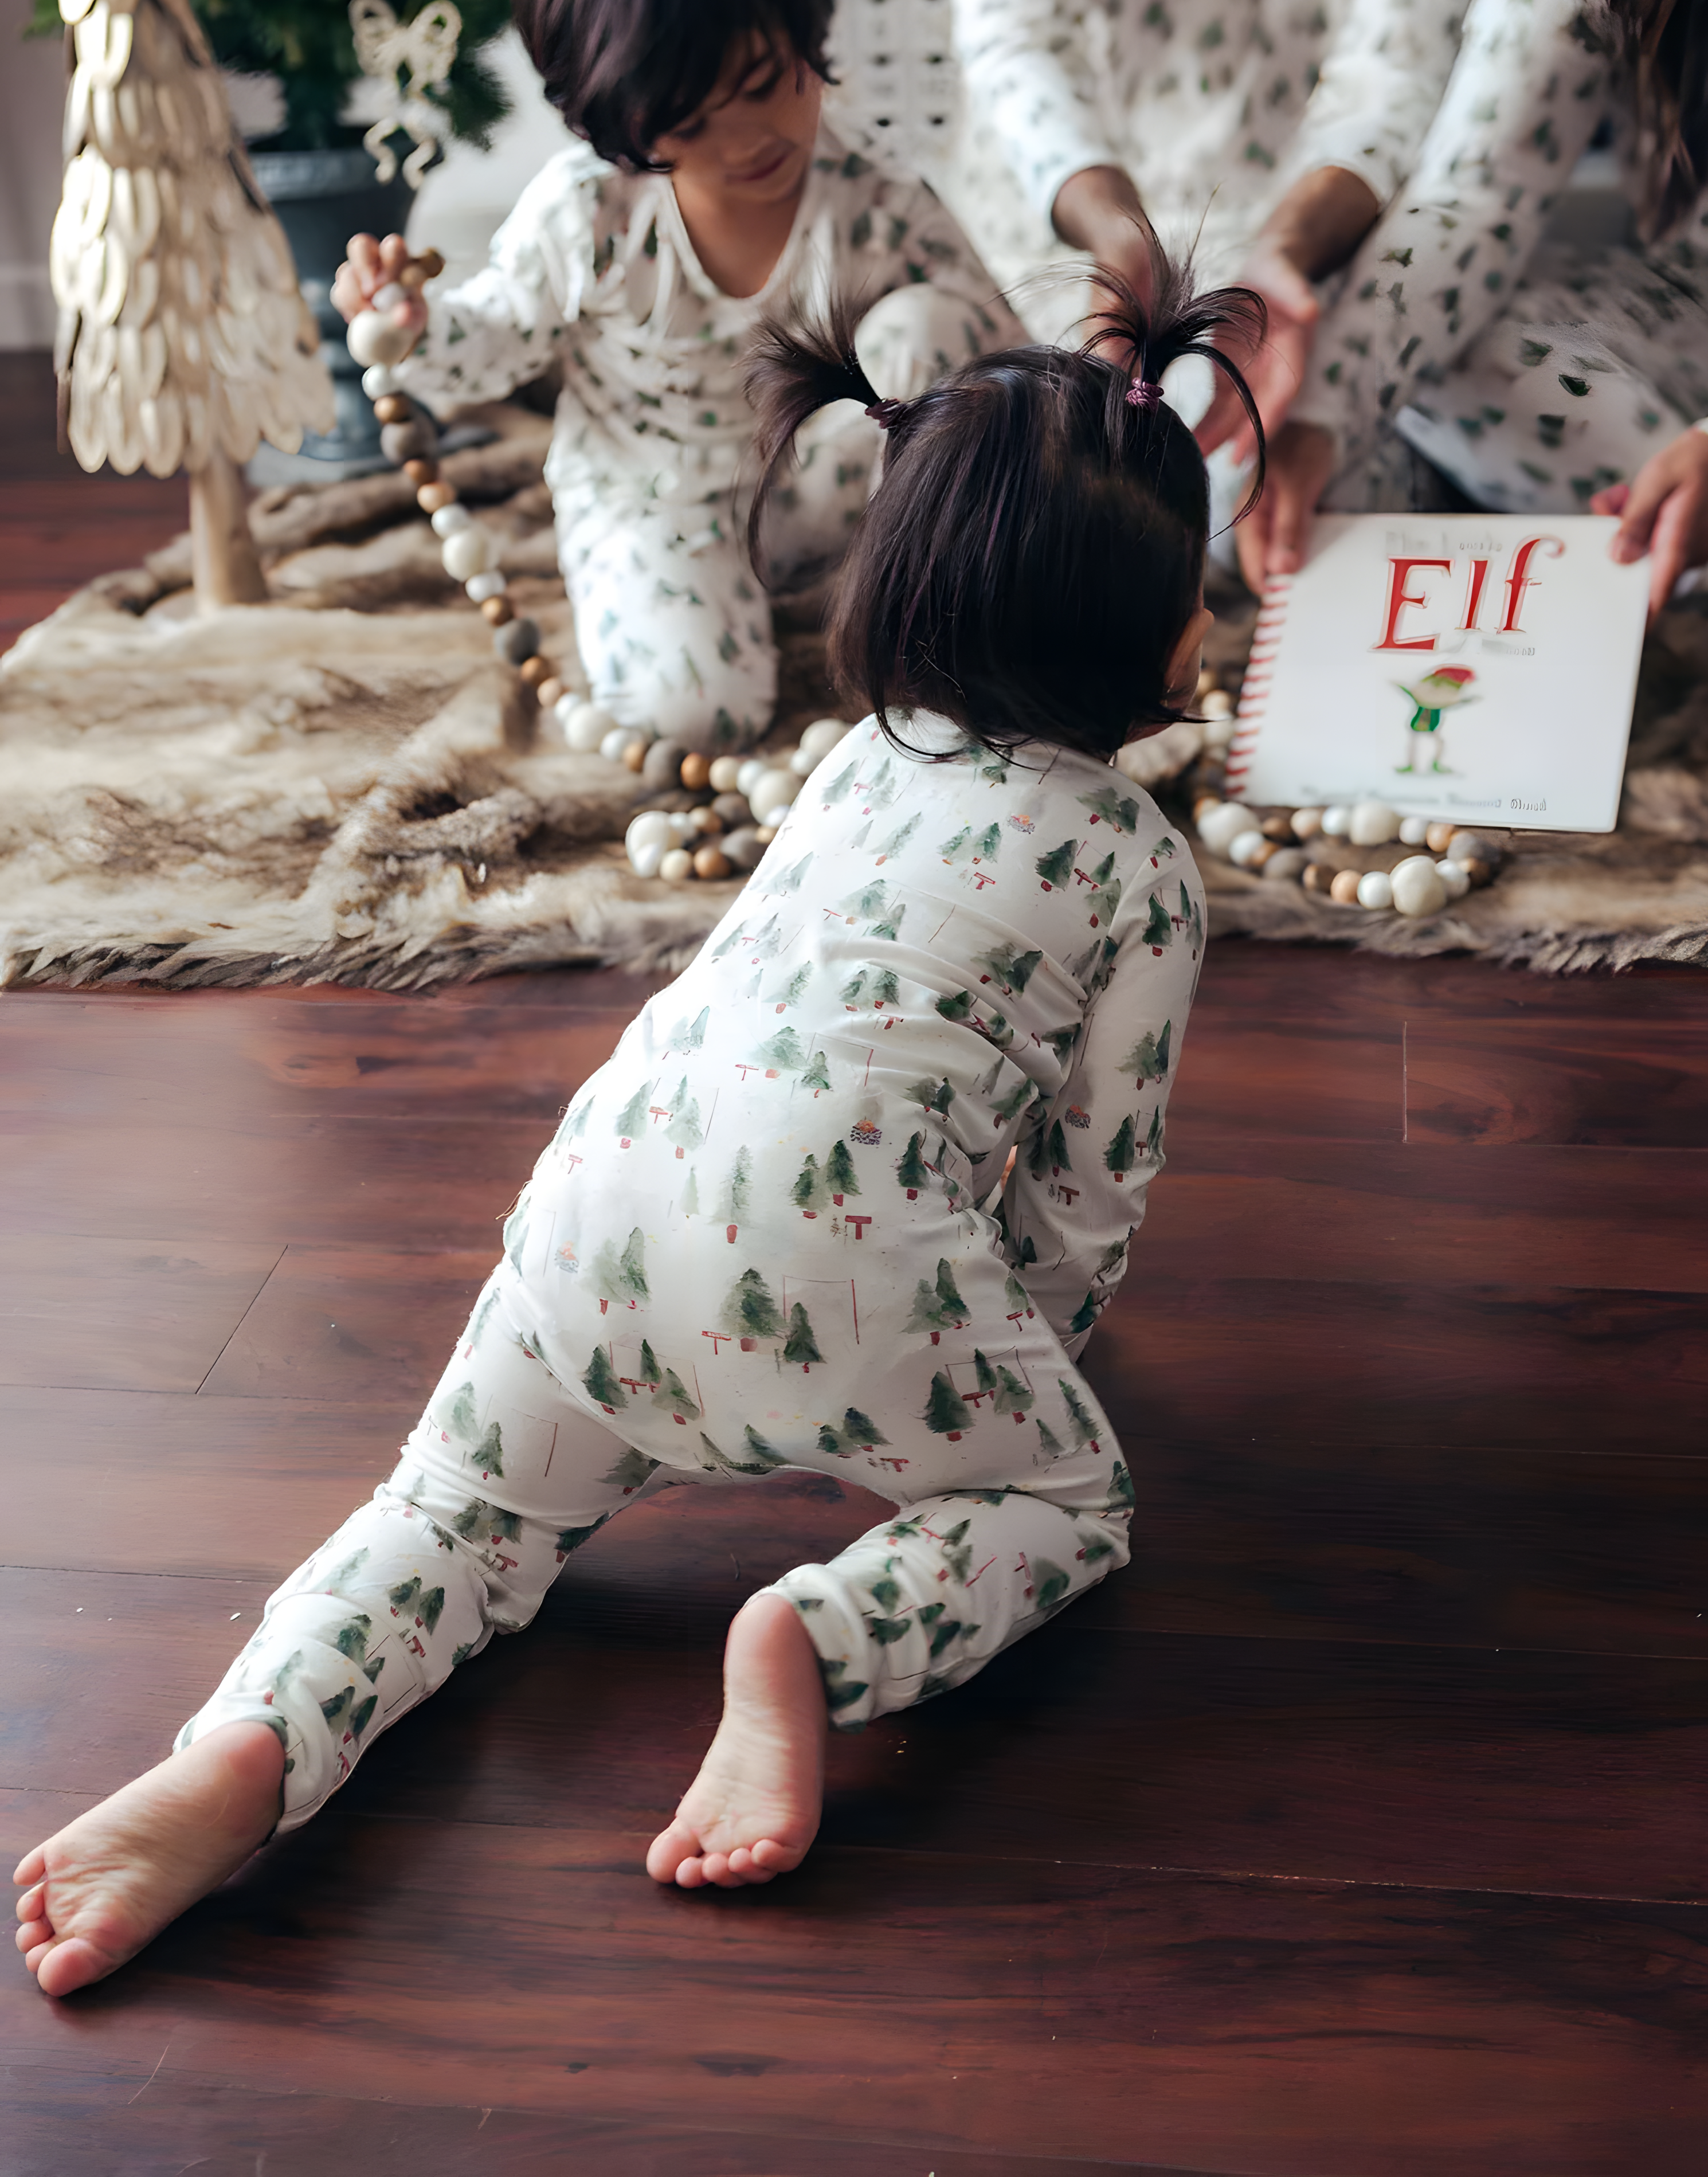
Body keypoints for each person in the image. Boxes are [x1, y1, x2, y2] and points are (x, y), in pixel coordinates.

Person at [13, 242, 1264, 1997]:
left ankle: (243, 1749)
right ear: (1162, 635)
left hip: (594, 1215)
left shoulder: (854, 759)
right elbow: (1087, 1181)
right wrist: (1019, 1370)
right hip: (850, 1275)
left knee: (453, 1506)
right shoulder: (1135, 858)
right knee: (1067, 1495)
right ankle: (814, 1638)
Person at [333, 0, 1018, 754]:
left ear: (810, 36)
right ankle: (722, 612)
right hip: (654, 502)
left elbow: (1002, 346)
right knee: (694, 718)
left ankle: (872, 600)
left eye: (764, 85)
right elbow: (497, 337)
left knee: (936, 326)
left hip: (823, 495)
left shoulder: (876, 192)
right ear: (618, 119)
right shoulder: (588, 211)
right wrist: (413, 325)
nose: (747, 138)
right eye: (690, 122)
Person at [1244, 0, 1708, 612]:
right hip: (1706, 326)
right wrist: (1319, 417)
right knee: (1422, 331)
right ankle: (1689, 542)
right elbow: (1481, 191)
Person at [949, 0, 1472, 461]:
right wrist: (1113, 227)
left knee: (1231, 449)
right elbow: (1012, 44)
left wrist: (1288, 244)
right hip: (1054, 230)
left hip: (1302, 227)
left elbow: (1393, 69)